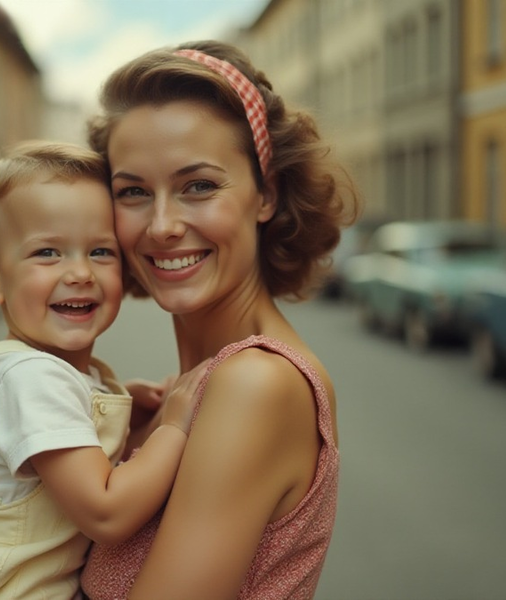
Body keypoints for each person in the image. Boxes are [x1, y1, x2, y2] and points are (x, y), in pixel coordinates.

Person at [80, 40, 359, 599]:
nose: (161, 225)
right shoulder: (198, 387)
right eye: (132, 191)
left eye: (199, 186)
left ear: (266, 194)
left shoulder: (255, 382)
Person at [0, 140, 206, 600]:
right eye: (47, 253)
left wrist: (130, 425)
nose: (80, 272)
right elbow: (107, 513)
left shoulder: (47, 374)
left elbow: (70, 467)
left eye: (101, 252)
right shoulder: (31, 379)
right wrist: (174, 427)